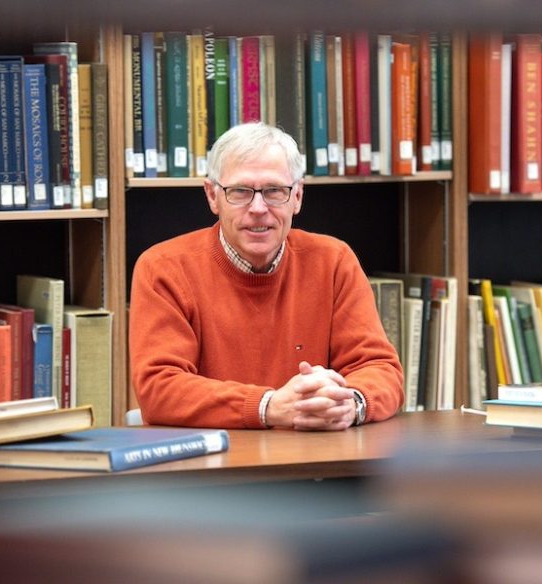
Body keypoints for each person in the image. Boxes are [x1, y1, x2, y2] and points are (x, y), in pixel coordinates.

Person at [129, 122, 404, 431]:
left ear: (297, 196)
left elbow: (380, 369)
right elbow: (159, 390)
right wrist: (268, 407)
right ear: (212, 196)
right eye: (241, 192)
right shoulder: (163, 268)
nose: (258, 208)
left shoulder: (333, 261)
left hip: (317, 465)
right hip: (210, 470)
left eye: (274, 191)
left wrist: (350, 403)